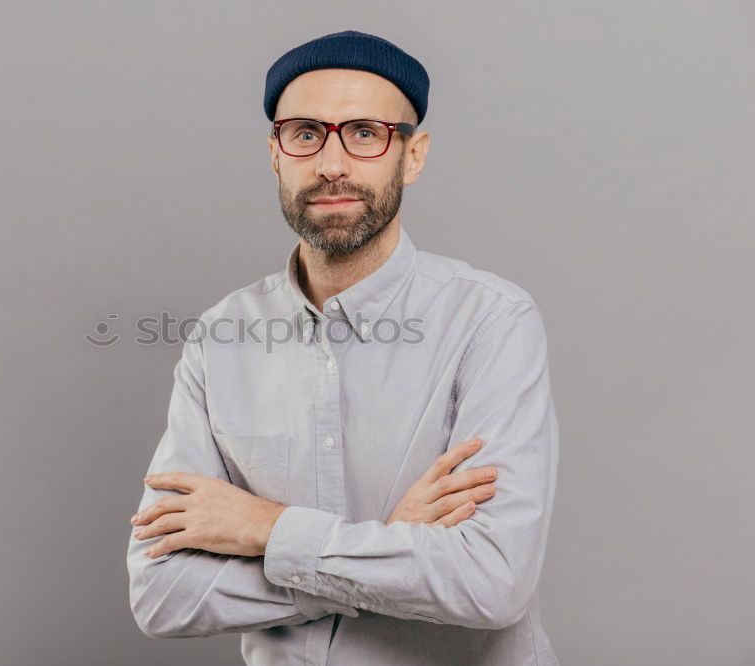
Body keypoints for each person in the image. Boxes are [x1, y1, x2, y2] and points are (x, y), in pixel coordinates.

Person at [126, 29, 560, 665]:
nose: (332, 163)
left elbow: (493, 582)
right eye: (306, 134)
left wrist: (262, 528)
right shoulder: (220, 337)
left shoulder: (491, 320)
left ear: (412, 155)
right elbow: (161, 594)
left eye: (365, 133)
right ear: (276, 153)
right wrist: (389, 545)